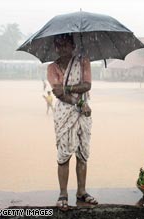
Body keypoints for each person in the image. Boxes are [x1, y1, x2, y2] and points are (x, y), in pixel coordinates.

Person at [47, 33, 98, 211]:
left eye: (66, 45)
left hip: (84, 114)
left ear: (73, 46)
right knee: (64, 155)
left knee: (82, 153)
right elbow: (58, 93)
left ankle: (81, 191)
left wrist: (67, 88)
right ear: (55, 47)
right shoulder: (52, 68)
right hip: (64, 113)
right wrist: (79, 102)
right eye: (59, 45)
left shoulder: (83, 61)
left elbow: (87, 85)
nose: (62, 48)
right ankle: (63, 194)